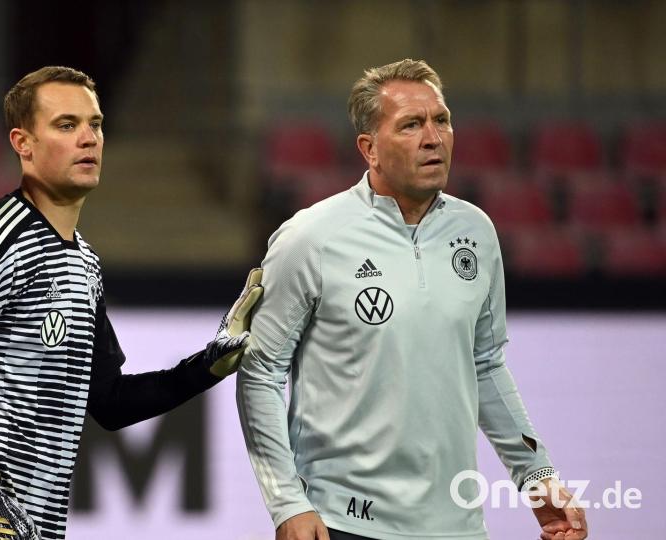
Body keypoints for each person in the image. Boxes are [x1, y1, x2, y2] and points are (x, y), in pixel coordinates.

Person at [236, 59, 587, 540]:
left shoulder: (476, 232)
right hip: (342, 522)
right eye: (411, 125)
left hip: (457, 526)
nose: (433, 138)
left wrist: (537, 475)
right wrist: (287, 504)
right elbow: (260, 373)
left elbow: (484, 363)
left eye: (441, 120)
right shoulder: (310, 238)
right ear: (369, 149)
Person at [0, 66, 262, 540]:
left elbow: (110, 401)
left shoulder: (83, 263)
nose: (88, 138)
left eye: (96, 124)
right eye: (67, 125)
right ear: (23, 143)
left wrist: (206, 366)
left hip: (32, 529)